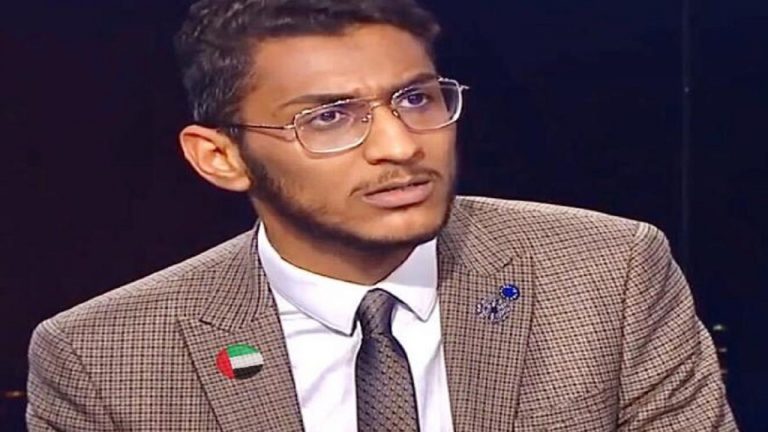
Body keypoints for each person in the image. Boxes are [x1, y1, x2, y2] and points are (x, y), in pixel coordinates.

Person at [26, 0, 737, 430]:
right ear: (221, 157)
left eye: (416, 99)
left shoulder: (606, 272)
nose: (400, 147)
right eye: (330, 117)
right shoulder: (102, 357)